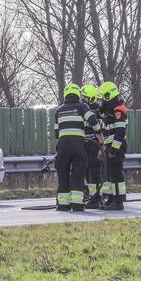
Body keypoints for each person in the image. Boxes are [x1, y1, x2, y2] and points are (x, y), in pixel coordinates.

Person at [53, 83, 97, 211]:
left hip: (62, 146)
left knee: (63, 173)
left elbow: (56, 132)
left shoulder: (59, 110)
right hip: (78, 145)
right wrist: (98, 132)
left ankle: (63, 205)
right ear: (78, 94)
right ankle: (77, 205)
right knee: (78, 174)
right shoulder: (82, 106)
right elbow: (93, 120)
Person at [97, 81, 129, 210]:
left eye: (103, 98)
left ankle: (118, 202)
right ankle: (110, 200)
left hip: (117, 148)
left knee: (116, 175)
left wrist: (114, 150)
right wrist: (104, 148)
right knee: (109, 176)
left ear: (109, 96)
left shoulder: (118, 111)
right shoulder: (109, 111)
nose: (102, 102)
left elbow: (120, 132)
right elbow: (107, 132)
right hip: (109, 147)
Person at [80, 84, 105, 209]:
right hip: (92, 145)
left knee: (92, 172)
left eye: (83, 97)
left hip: (92, 145)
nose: (81, 99)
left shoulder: (88, 110)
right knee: (91, 171)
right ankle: (95, 197)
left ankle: (94, 199)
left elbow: (98, 128)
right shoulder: (98, 110)